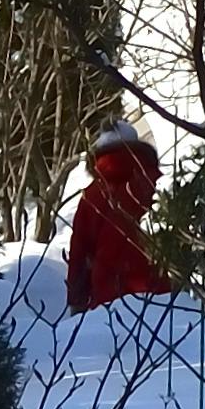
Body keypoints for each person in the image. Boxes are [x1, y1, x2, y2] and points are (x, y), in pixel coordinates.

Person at [64, 123, 171, 311]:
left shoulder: (92, 195)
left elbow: (79, 253)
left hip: (108, 301)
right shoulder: (159, 184)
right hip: (161, 297)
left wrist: (76, 300)